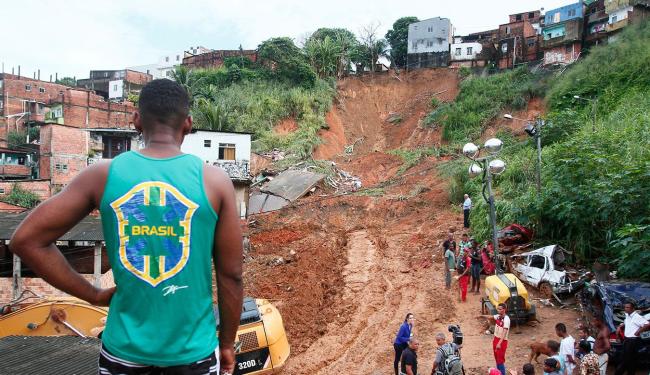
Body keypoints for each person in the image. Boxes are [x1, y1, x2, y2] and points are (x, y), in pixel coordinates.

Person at [9, 79, 244, 375]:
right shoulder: (215, 181)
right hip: (193, 354)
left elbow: (26, 240)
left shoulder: (102, 175)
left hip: (123, 354)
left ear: (136, 120)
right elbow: (231, 275)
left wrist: (93, 295)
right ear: (188, 124)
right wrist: (226, 344)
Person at [614, 301, 650, 375]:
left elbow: (647, 324)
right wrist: (620, 326)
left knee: (624, 360)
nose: (625, 309)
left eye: (627, 307)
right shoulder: (628, 315)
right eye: (625, 307)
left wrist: (638, 331)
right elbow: (626, 322)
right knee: (631, 360)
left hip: (632, 341)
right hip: (627, 340)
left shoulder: (637, 317)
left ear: (633, 308)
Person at [477, 303, 510, 375]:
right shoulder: (498, 316)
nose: (498, 310)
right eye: (498, 309)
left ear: (504, 310)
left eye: (500, 309)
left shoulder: (506, 319)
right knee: (497, 358)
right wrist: (482, 316)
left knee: (500, 360)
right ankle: (498, 372)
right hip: (496, 339)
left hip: (502, 341)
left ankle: (502, 373)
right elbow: (491, 317)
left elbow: (504, 332)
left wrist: (499, 343)